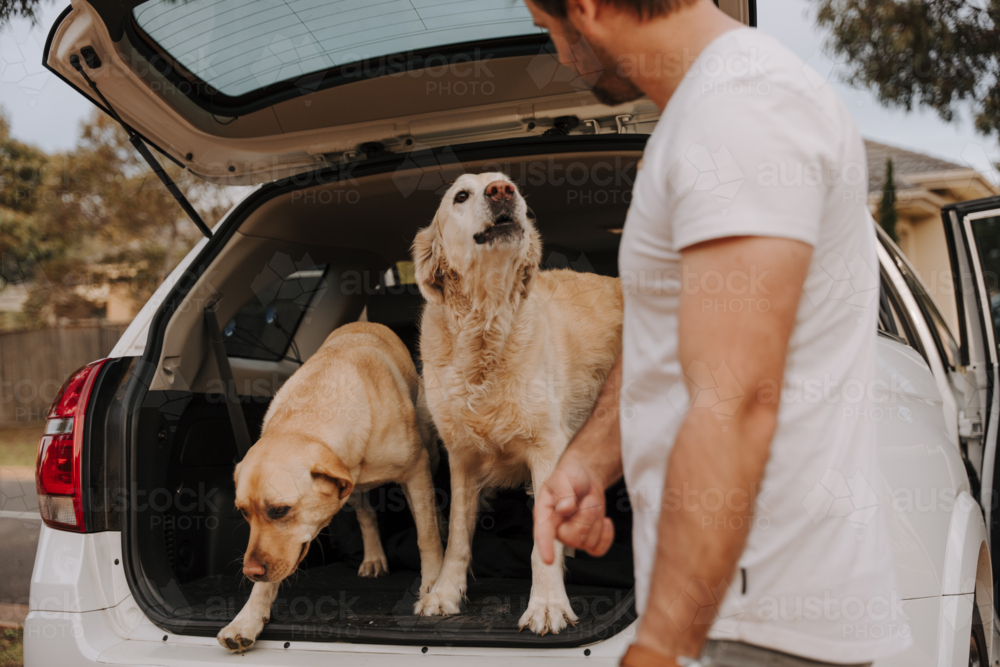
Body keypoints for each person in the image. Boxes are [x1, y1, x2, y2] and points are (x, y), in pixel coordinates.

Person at [524, 0, 911, 665]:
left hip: (765, 620)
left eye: (547, 29)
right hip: (737, 610)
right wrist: (591, 458)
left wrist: (661, 645)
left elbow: (736, 396)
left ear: (585, 9)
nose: (558, 55)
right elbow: (673, 333)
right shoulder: (714, 108)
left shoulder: (741, 107)